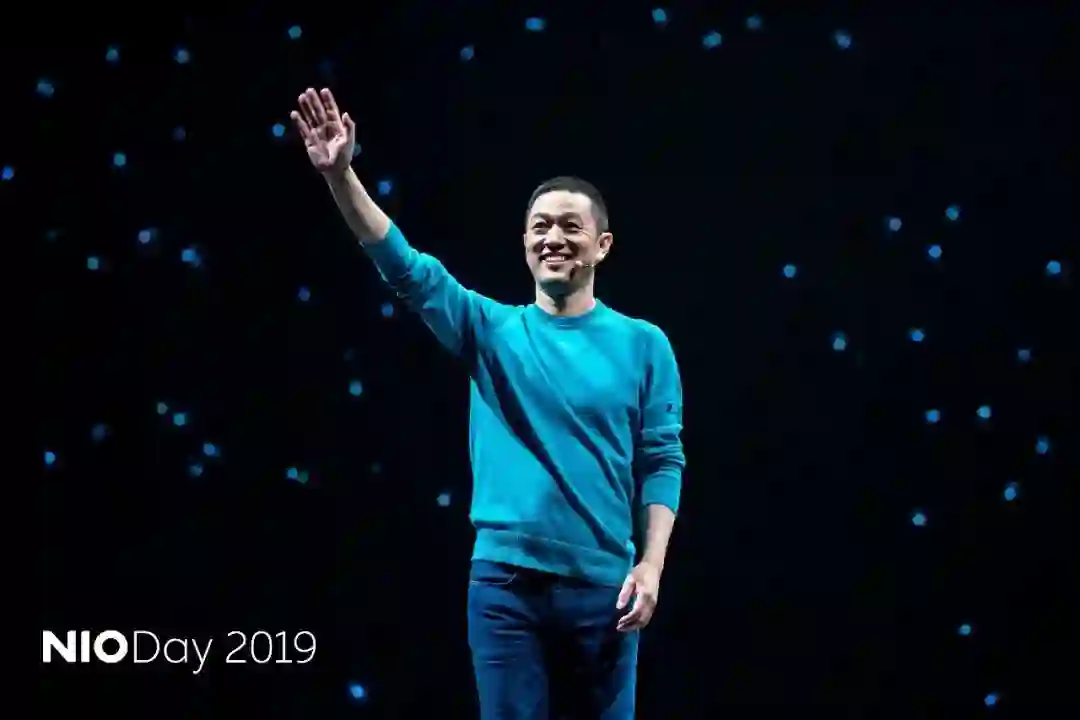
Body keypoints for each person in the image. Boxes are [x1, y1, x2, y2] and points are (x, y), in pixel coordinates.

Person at [291, 87, 686, 719]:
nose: (553, 237)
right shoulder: (490, 329)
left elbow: (661, 460)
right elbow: (405, 267)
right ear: (524, 242)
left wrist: (651, 565)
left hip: (604, 590)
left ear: (603, 245)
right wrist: (341, 176)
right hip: (507, 588)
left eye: (570, 226)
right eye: (540, 226)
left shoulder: (645, 344)